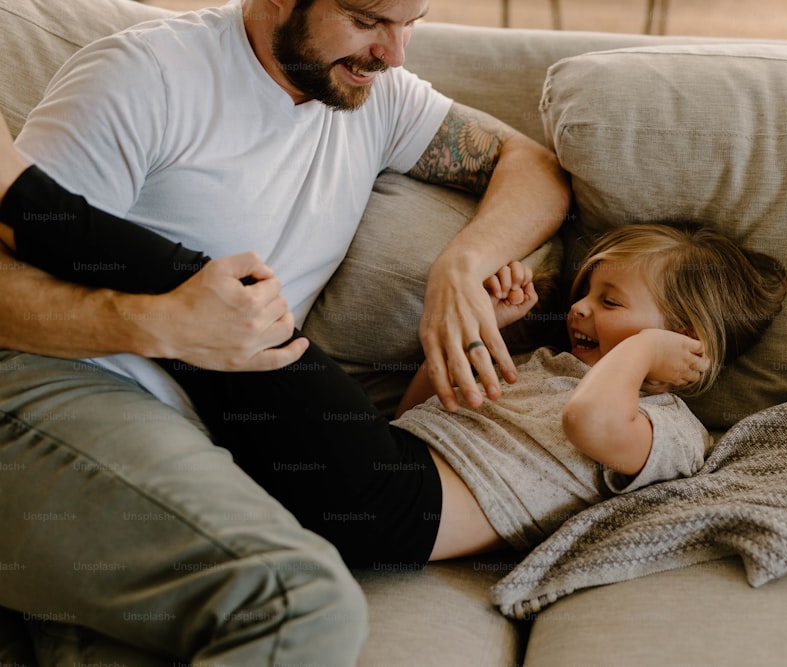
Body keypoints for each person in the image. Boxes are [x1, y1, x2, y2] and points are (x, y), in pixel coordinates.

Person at [0, 0, 570, 664]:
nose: (395, 52)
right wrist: (158, 324)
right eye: (367, 19)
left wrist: (464, 263)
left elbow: (535, 167)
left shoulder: (377, 97)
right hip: (59, 387)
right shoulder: (146, 77)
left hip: (200, 443)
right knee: (301, 604)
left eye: (410, 20)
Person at [0, 151, 787, 558]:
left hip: (394, 509)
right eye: (584, 290)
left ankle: (20, 194)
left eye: (609, 302)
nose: (577, 307)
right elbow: (419, 415)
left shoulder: (668, 426)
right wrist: (497, 332)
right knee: (213, 332)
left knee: (233, 304)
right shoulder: (555, 369)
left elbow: (591, 422)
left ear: (688, 338)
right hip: (379, 470)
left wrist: (647, 349)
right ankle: (29, 235)